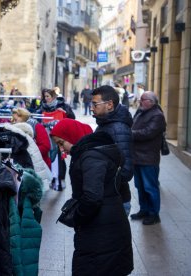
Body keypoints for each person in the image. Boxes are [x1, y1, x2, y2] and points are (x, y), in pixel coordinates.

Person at [51, 118, 133, 276]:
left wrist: (77, 217)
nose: (61, 149)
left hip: (100, 229)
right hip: (107, 226)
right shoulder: (94, 152)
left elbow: (92, 197)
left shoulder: (91, 156)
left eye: (62, 143)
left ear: (73, 136)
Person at [91, 85, 133, 216]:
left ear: (109, 105)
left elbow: (126, 172)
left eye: (95, 104)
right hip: (109, 198)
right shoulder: (106, 124)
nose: (92, 108)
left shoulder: (118, 129)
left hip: (115, 201)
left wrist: (99, 175)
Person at [130, 91, 166, 225]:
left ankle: (153, 214)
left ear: (151, 102)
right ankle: (144, 210)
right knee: (140, 186)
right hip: (137, 156)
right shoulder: (141, 112)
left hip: (148, 158)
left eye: (143, 99)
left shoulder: (157, 116)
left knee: (150, 187)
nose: (140, 101)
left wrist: (130, 133)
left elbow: (148, 133)